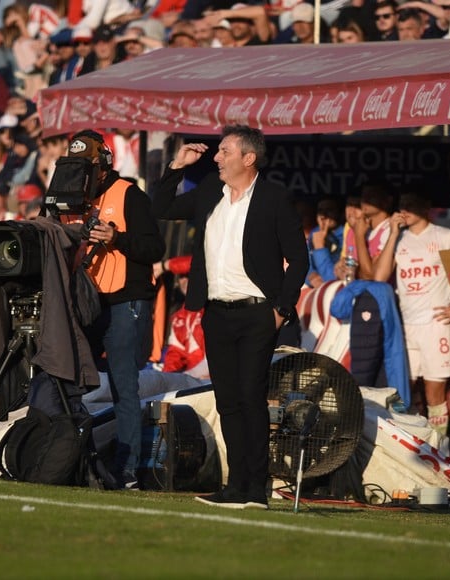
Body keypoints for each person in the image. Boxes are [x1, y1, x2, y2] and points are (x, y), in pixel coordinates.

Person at [151, 125, 309, 510]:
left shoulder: (274, 198)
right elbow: (161, 208)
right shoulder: (208, 191)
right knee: (228, 401)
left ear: (248, 158)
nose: (216, 157)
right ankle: (236, 485)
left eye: (225, 151)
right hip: (216, 313)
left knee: (250, 398)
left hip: (258, 313)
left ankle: (257, 487)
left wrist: (281, 310)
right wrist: (176, 166)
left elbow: (299, 259)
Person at [72, 129, 165, 490]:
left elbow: (154, 248)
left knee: (125, 387)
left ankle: (126, 471)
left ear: (104, 165)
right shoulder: (70, 199)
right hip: (87, 300)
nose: (81, 174)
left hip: (126, 300)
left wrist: (116, 239)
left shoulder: (128, 194)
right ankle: (75, 458)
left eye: (87, 166)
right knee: (72, 381)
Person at [374, 191, 450, 436]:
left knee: (434, 393)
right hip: (406, 326)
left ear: (426, 206)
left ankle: (438, 448)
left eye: (411, 204)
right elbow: (379, 276)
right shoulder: (396, 237)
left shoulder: (447, 237)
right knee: (402, 391)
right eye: (402, 205)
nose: (405, 210)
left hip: (435, 325)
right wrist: (394, 235)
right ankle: (411, 444)